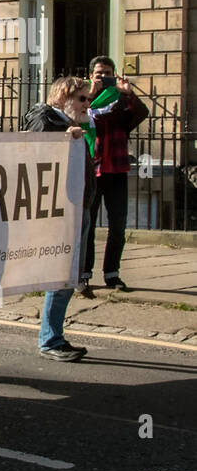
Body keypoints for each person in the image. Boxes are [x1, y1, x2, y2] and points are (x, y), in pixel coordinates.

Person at [24, 75, 96, 362]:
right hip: (62, 210)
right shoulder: (46, 120)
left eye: (88, 99)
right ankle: (50, 339)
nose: (87, 104)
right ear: (61, 97)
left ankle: (54, 336)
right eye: (81, 98)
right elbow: (36, 153)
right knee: (61, 273)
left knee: (69, 274)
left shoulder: (70, 124)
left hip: (79, 207)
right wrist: (66, 137)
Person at [79, 56, 148, 295]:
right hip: (92, 170)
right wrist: (92, 91)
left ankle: (112, 274)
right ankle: (83, 275)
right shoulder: (85, 99)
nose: (103, 77)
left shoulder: (120, 99)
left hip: (117, 169)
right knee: (86, 225)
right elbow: (78, 114)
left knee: (117, 226)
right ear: (91, 75)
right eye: (99, 73)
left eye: (107, 73)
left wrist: (127, 93)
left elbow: (141, 113)